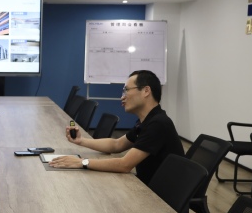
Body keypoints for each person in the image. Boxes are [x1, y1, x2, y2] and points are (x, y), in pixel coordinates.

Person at [49, 70, 184, 184]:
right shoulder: (146, 121)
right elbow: (116, 144)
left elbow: (125, 165)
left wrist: (82, 162)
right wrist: (81, 141)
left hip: (160, 198)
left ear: (146, 91)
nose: (122, 97)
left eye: (126, 90)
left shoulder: (158, 123)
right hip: (148, 187)